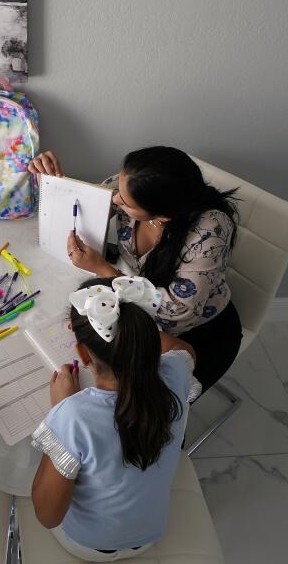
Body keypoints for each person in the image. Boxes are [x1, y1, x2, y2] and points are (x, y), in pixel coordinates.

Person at [28, 146, 240, 395]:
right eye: (119, 183)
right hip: (136, 308)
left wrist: (102, 269)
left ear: (162, 216)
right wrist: (51, 183)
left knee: (142, 412)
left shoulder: (209, 232)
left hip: (196, 332)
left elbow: (176, 312)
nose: (115, 198)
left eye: (125, 202)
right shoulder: (130, 186)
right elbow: (85, 205)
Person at [30, 276, 199, 560]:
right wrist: (138, 339)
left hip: (87, 545)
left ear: (83, 354)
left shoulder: (72, 417)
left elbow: (47, 516)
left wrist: (61, 406)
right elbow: (186, 350)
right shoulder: (176, 373)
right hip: (148, 535)